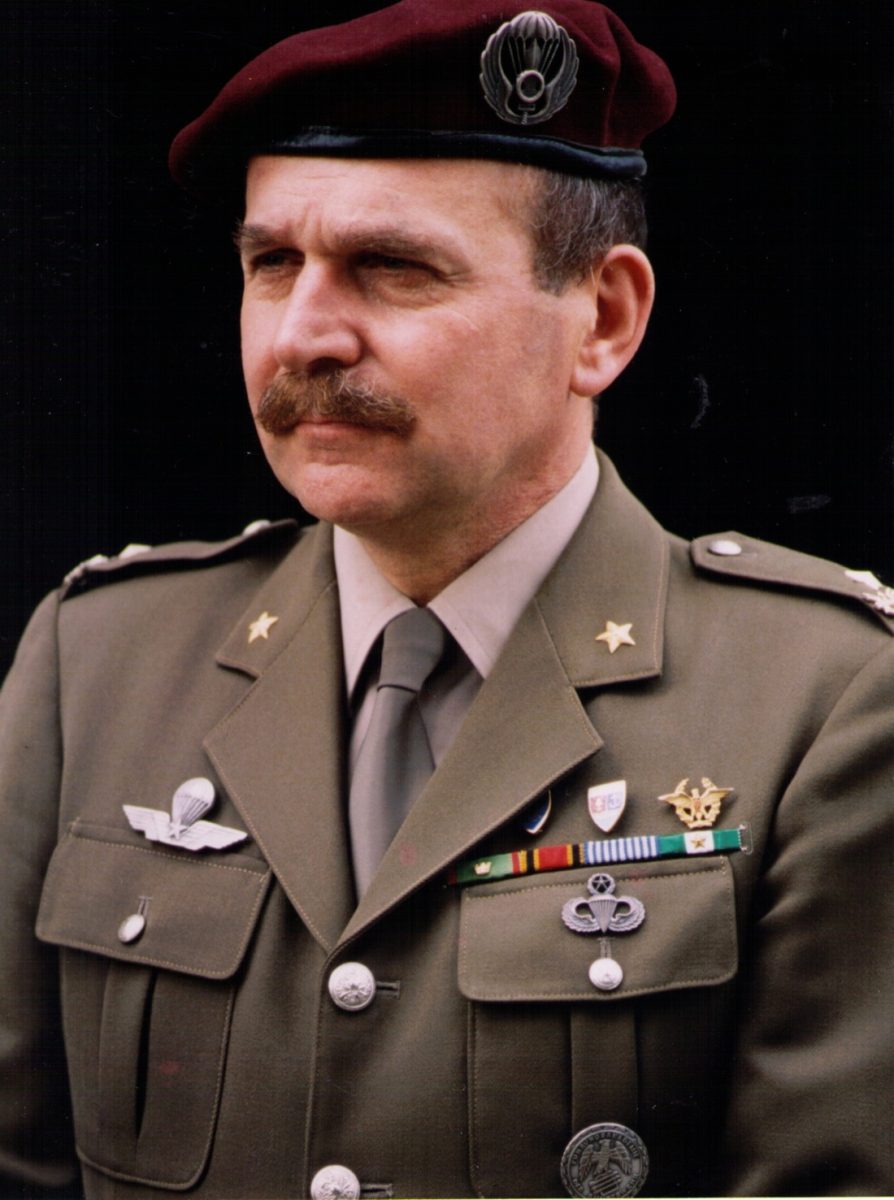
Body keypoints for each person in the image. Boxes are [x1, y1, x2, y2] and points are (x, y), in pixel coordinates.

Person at [1, 2, 891, 1197]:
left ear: (604, 320)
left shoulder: (827, 704)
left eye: (392, 268)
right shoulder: (99, 659)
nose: (304, 336)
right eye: (272, 265)